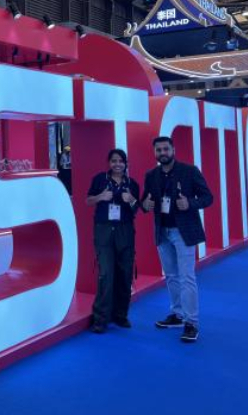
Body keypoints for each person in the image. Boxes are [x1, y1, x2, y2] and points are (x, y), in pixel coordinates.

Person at [141, 136, 213, 343]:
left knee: (187, 277)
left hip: (183, 232)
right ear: (155, 153)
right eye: (158, 150)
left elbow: (208, 198)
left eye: (166, 149)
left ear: (173, 150)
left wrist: (189, 203)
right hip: (162, 232)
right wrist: (145, 205)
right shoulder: (151, 175)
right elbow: (146, 201)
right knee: (171, 276)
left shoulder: (189, 171)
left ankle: (191, 322)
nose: (162, 153)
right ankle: (177, 314)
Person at [85, 149, 139, 333]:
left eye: (121, 161)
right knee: (106, 274)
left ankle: (120, 315)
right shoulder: (100, 179)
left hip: (125, 230)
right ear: (109, 163)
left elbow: (137, 209)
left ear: (125, 163)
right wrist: (101, 197)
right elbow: (88, 201)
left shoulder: (132, 184)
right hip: (104, 230)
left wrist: (131, 200)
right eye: (114, 161)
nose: (117, 164)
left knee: (125, 274)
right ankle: (100, 319)